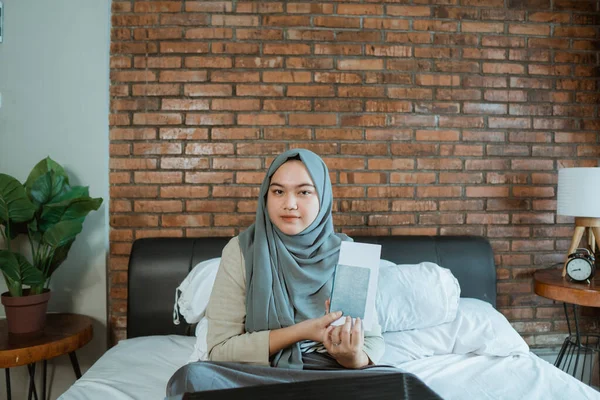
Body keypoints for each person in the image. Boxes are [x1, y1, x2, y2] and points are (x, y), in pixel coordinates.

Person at [167, 149, 392, 395]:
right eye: (278, 191)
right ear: (266, 196)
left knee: (399, 382)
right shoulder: (242, 251)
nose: (290, 204)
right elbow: (220, 350)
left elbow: (371, 343)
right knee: (191, 377)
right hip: (260, 373)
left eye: (304, 192)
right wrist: (303, 331)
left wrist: (352, 358)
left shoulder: (349, 253)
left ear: (323, 198)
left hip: (331, 373)